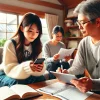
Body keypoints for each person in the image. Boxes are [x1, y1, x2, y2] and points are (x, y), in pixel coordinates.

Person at [57, 0, 100, 93]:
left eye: (83, 23)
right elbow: (78, 67)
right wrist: (66, 73)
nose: (79, 27)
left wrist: (93, 84)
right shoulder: (84, 43)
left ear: (98, 22)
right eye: (78, 23)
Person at [0, 12, 46, 87]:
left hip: (24, 74)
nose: (34, 35)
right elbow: (9, 69)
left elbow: (38, 66)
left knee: (41, 79)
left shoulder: (37, 45)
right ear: (22, 28)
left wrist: (39, 68)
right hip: (5, 73)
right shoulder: (11, 44)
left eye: (37, 32)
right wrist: (27, 67)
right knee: (16, 84)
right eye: (30, 31)